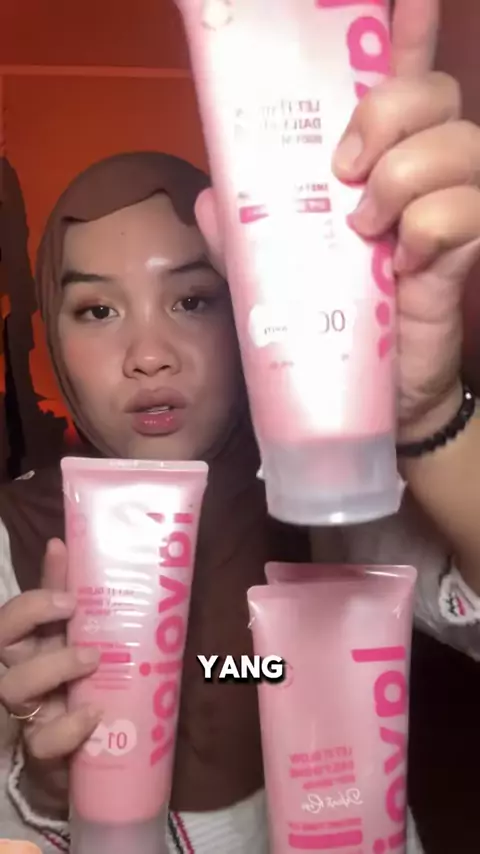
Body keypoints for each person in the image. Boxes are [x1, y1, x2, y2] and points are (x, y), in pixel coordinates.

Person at [1, 2, 480, 851]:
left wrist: (431, 415)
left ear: (252, 296)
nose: (149, 355)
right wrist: (43, 786)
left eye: (193, 299)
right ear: (52, 334)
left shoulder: (330, 512)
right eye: (97, 309)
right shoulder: (10, 550)